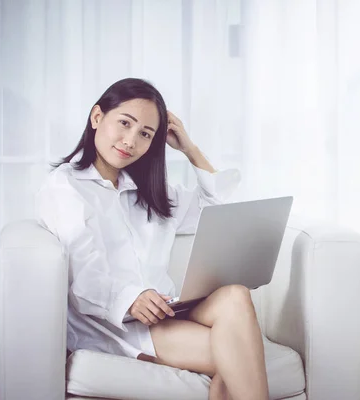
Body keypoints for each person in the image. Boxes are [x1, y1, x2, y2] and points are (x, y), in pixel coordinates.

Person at [35, 78, 268, 400]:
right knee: (238, 360)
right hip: (117, 325)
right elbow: (82, 274)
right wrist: (131, 296)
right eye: (124, 123)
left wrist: (190, 149)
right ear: (97, 117)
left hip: (166, 312)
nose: (130, 140)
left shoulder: (150, 191)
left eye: (145, 134)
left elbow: (219, 211)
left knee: (235, 295)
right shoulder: (65, 187)